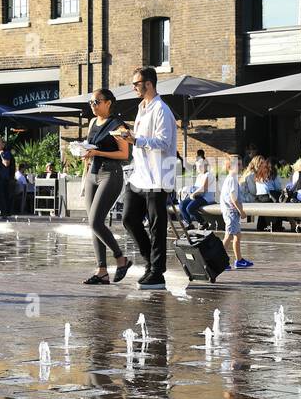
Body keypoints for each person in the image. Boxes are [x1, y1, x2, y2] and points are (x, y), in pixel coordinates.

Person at [122, 66, 178, 290]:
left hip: (157, 177)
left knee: (157, 226)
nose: (133, 87)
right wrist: (131, 137)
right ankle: (151, 263)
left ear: (149, 84)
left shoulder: (161, 110)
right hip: (139, 176)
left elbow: (163, 143)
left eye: (136, 84)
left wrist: (137, 140)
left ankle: (157, 272)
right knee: (129, 219)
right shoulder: (141, 109)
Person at [80, 87, 132, 285]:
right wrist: (84, 152)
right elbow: (91, 147)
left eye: (96, 102)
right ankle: (102, 270)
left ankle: (121, 259)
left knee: (95, 222)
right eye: (91, 102)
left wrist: (98, 153)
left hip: (111, 174)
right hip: (92, 173)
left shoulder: (118, 125)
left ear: (108, 103)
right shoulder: (93, 122)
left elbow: (124, 154)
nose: (93, 106)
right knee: (93, 225)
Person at [219, 154, 252, 269]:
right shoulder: (232, 179)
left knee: (237, 236)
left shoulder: (231, 178)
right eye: (237, 164)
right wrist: (241, 211)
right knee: (228, 236)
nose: (240, 166)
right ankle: (220, 261)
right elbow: (233, 198)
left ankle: (239, 260)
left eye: (240, 163)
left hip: (230, 212)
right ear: (230, 166)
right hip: (231, 212)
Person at [180, 156, 212, 228]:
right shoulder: (200, 176)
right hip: (198, 196)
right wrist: (186, 190)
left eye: (201, 166)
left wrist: (193, 194)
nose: (199, 168)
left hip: (206, 198)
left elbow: (203, 188)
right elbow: (196, 188)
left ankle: (203, 222)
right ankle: (189, 223)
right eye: (197, 166)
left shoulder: (208, 175)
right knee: (182, 205)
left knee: (190, 208)